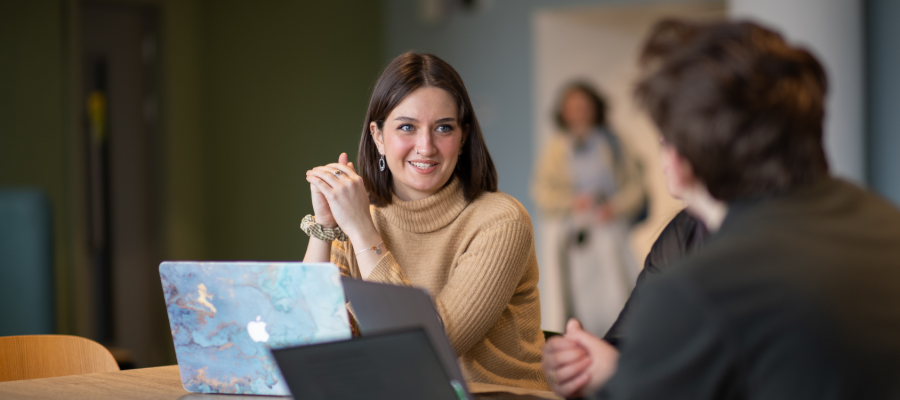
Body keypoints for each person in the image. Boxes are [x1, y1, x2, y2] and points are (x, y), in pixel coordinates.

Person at [543, 19, 900, 399]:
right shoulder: (885, 224)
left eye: (665, 132)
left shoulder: (699, 290)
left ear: (684, 158)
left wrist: (610, 379)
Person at [301, 52, 549, 390]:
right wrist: (326, 226)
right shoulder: (361, 217)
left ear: (462, 138)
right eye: (407, 127)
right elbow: (308, 338)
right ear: (378, 137)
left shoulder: (501, 221)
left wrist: (361, 230)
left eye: (443, 128)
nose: (426, 146)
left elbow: (429, 350)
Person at [532, 83, 646, 336]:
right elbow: (542, 193)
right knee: (580, 298)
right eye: (572, 108)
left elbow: (635, 186)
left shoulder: (614, 142)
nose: (579, 113)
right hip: (576, 236)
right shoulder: (556, 148)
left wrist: (615, 207)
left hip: (610, 228)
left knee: (619, 293)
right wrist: (571, 202)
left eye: (584, 106)